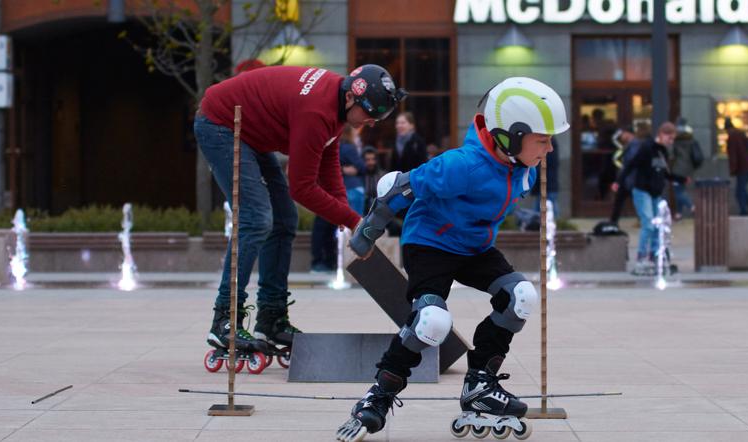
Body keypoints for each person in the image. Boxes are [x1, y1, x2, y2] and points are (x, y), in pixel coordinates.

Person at [335, 77, 569, 442]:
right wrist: (368, 234)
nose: (550, 149)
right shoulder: (461, 165)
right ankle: (378, 396)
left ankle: (480, 385)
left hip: (474, 248)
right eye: (543, 140)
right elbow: (397, 187)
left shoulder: (524, 168)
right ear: (510, 135)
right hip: (429, 245)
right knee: (432, 321)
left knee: (520, 296)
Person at [195, 64, 406, 357]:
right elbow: (302, 188)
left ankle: (271, 318)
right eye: (370, 115)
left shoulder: (334, 102)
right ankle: (224, 320)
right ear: (350, 99)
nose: (371, 123)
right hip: (221, 124)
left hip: (250, 134)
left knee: (284, 219)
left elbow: (328, 162)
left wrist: (346, 218)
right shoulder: (315, 111)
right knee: (257, 219)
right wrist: (353, 220)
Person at [625, 122, 677, 269]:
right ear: (661, 134)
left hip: (655, 191)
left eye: (673, 139)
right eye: (669, 138)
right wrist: (620, 181)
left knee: (657, 225)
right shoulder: (647, 147)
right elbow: (632, 164)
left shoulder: (663, 151)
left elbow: (664, 173)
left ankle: (655, 255)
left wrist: (679, 179)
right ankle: (641, 256)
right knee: (648, 224)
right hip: (642, 190)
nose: (670, 142)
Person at [669, 117, 703, 220]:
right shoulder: (691, 138)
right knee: (681, 189)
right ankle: (679, 214)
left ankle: (692, 206)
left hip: (677, 169)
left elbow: (671, 155)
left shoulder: (675, 139)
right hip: (688, 169)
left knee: (678, 192)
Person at [726, 117, 748, 215]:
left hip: (742, 167)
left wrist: (733, 169)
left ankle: (745, 209)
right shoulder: (740, 133)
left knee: (740, 191)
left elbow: (733, 154)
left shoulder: (732, 136)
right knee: (742, 189)